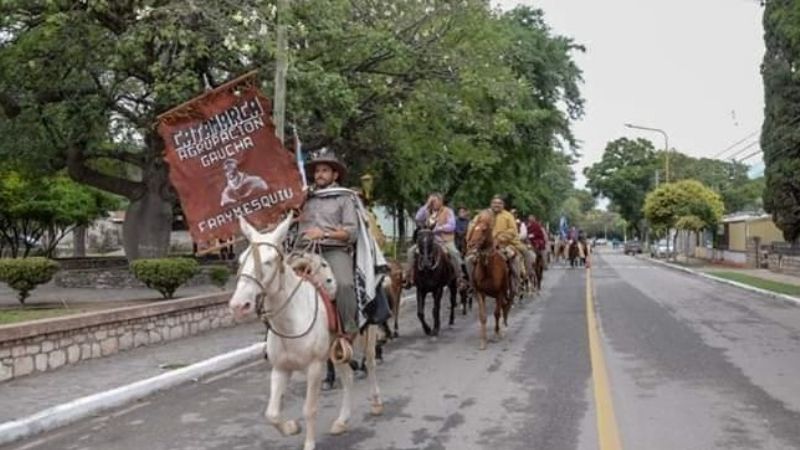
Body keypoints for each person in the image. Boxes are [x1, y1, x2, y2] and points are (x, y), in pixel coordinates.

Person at [297, 148, 359, 390]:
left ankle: (348, 332)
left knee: (344, 284)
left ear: (335, 175)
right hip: (304, 251)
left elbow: (351, 232)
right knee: (275, 281)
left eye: (324, 170)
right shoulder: (305, 198)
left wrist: (323, 232)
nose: (319, 174)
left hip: (333, 250)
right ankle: (275, 335)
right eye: (317, 171)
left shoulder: (345, 198)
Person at [405, 193, 464, 287]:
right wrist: (427, 204)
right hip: (429, 241)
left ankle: (460, 278)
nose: (433, 204)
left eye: (435, 201)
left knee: (454, 253)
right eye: (432, 202)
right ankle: (408, 277)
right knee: (411, 251)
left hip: (445, 241)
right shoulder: (427, 211)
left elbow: (452, 226)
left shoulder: (448, 211)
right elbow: (417, 218)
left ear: (441, 201)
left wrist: (438, 228)